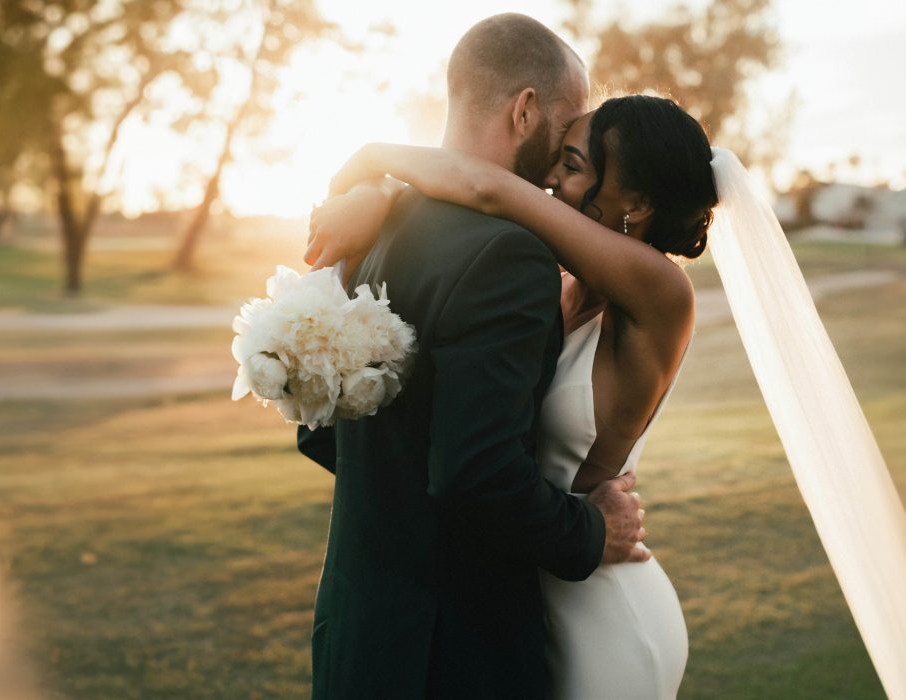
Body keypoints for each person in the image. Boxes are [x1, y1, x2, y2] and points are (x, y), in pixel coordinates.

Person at [306, 91, 719, 699]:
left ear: (635, 203)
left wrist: (374, 160)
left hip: (601, 601)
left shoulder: (662, 293)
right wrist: (380, 199)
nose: (550, 177)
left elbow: (489, 189)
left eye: (572, 166)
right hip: (530, 584)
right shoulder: (556, 285)